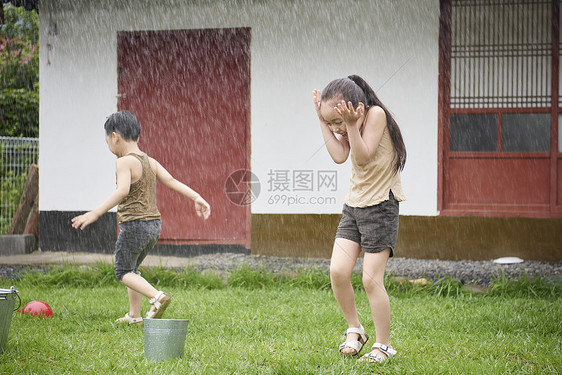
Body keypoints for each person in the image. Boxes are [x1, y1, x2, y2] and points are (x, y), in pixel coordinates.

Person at [72, 110, 211, 325]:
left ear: (115, 136)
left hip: (134, 226)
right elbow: (171, 180)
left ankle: (156, 297)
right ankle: (134, 315)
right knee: (132, 270)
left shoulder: (124, 162)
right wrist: (197, 196)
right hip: (154, 226)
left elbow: (122, 191)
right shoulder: (150, 161)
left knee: (123, 271)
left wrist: (95, 213)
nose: (108, 145)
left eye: (107, 140)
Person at [312, 75, 406, 363]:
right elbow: (340, 156)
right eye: (332, 123)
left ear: (358, 109)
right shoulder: (346, 123)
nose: (336, 128)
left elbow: (363, 157)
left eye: (337, 121)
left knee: (370, 280)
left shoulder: (375, 115)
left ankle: (383, 346)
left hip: (380, 206)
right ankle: (355, 329)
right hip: (353, 206)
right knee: (338, 272)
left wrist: (350, 125)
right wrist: (322, 121)